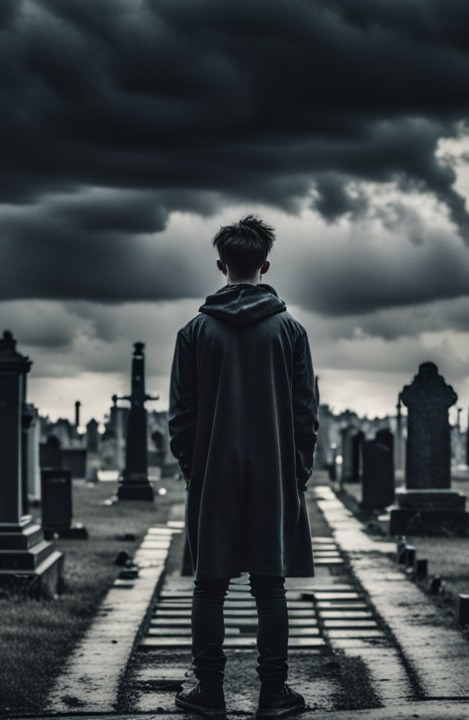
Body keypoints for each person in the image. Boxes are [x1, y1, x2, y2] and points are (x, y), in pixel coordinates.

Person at [168, 215, 318, 718]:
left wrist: (196, 474)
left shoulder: (194, 333)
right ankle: (273, 694)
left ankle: (208, 692)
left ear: (221, 265)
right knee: (269, 584)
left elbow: (181, 418)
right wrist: (296, 475)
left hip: (214, 477)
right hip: (274, 477)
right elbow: (305, 415)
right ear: (265, 264)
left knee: (209, 585)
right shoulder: (291, 332)